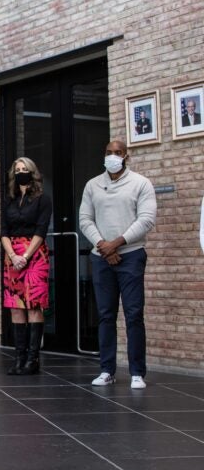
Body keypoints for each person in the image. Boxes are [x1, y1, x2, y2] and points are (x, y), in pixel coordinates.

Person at [79, 140, 156, 389]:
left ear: (126, 156)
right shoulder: (93, 185)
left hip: (131, 255)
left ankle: (136, 373)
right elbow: (84, 219)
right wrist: (103, 245)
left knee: (134, 314)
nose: (113, 156)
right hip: (101, 257)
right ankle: (107, 370)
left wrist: (117, 244)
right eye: (109, 152)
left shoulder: (141, 183)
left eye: (118, 153)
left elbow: (146, 220)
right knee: (105, 315)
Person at [0, 157, 52, 375]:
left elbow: (41, 230)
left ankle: (33, 360)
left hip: (34, 255)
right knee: (16, 306)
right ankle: (19, 359)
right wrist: (12, 255)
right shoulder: (8, 200)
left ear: (33, 173)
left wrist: (25, 256)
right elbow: (3, 231)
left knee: (33, 306)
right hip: (11, 256)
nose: (21, 172)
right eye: (17, 169)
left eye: (25, 169)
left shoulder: (43, 199)